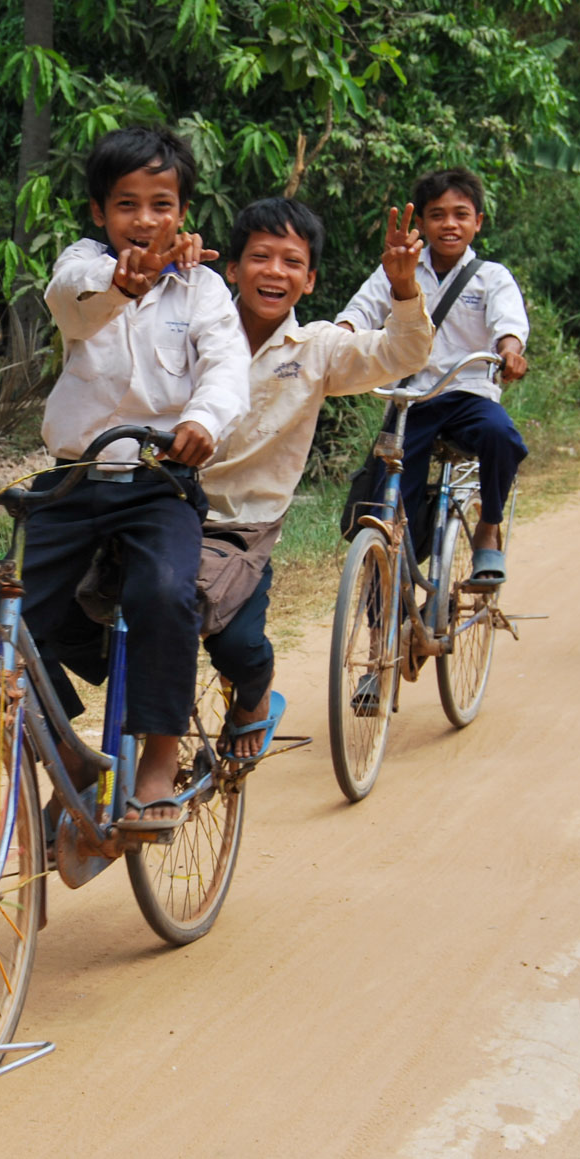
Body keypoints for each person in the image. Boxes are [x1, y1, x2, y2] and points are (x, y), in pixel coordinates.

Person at [5, 125, 248, 831]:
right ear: (98, 213)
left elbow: (227, 366)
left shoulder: (202, 289)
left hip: (159, 481)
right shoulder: (82, 266)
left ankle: (159, 762)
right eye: (127, 205)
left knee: (165, 593)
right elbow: (69, 302)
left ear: (183, 211)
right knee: (1, 618)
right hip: (76, 478)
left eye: (161, 204)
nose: (144, 221)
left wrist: (203, 419)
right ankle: (70, 756)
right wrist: (120, 282)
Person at [200, 196, 433, 758]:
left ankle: (255, 695)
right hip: (167, 507)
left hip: (244, 527)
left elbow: (404, 351)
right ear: (232, 269)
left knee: (237, 643)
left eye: (291, 262)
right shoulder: (196, 331)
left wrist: (403, 288)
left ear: (309, 281)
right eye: (260, 257)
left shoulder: (317, 349)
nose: (274, 271)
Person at [337, 166, 531, 588]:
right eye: (437, 214)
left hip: (467, 393)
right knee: (384, 511)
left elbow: (509, 323)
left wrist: (511, 350)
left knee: (502, 437)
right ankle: (384, 625)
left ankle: (488, 528)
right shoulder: (399, 268)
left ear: (477, 222)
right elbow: (361, 310)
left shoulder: (491, 276)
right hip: (410, 400)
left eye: (461, 214)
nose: (449, 224)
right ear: (421, 223)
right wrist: (340, 337)